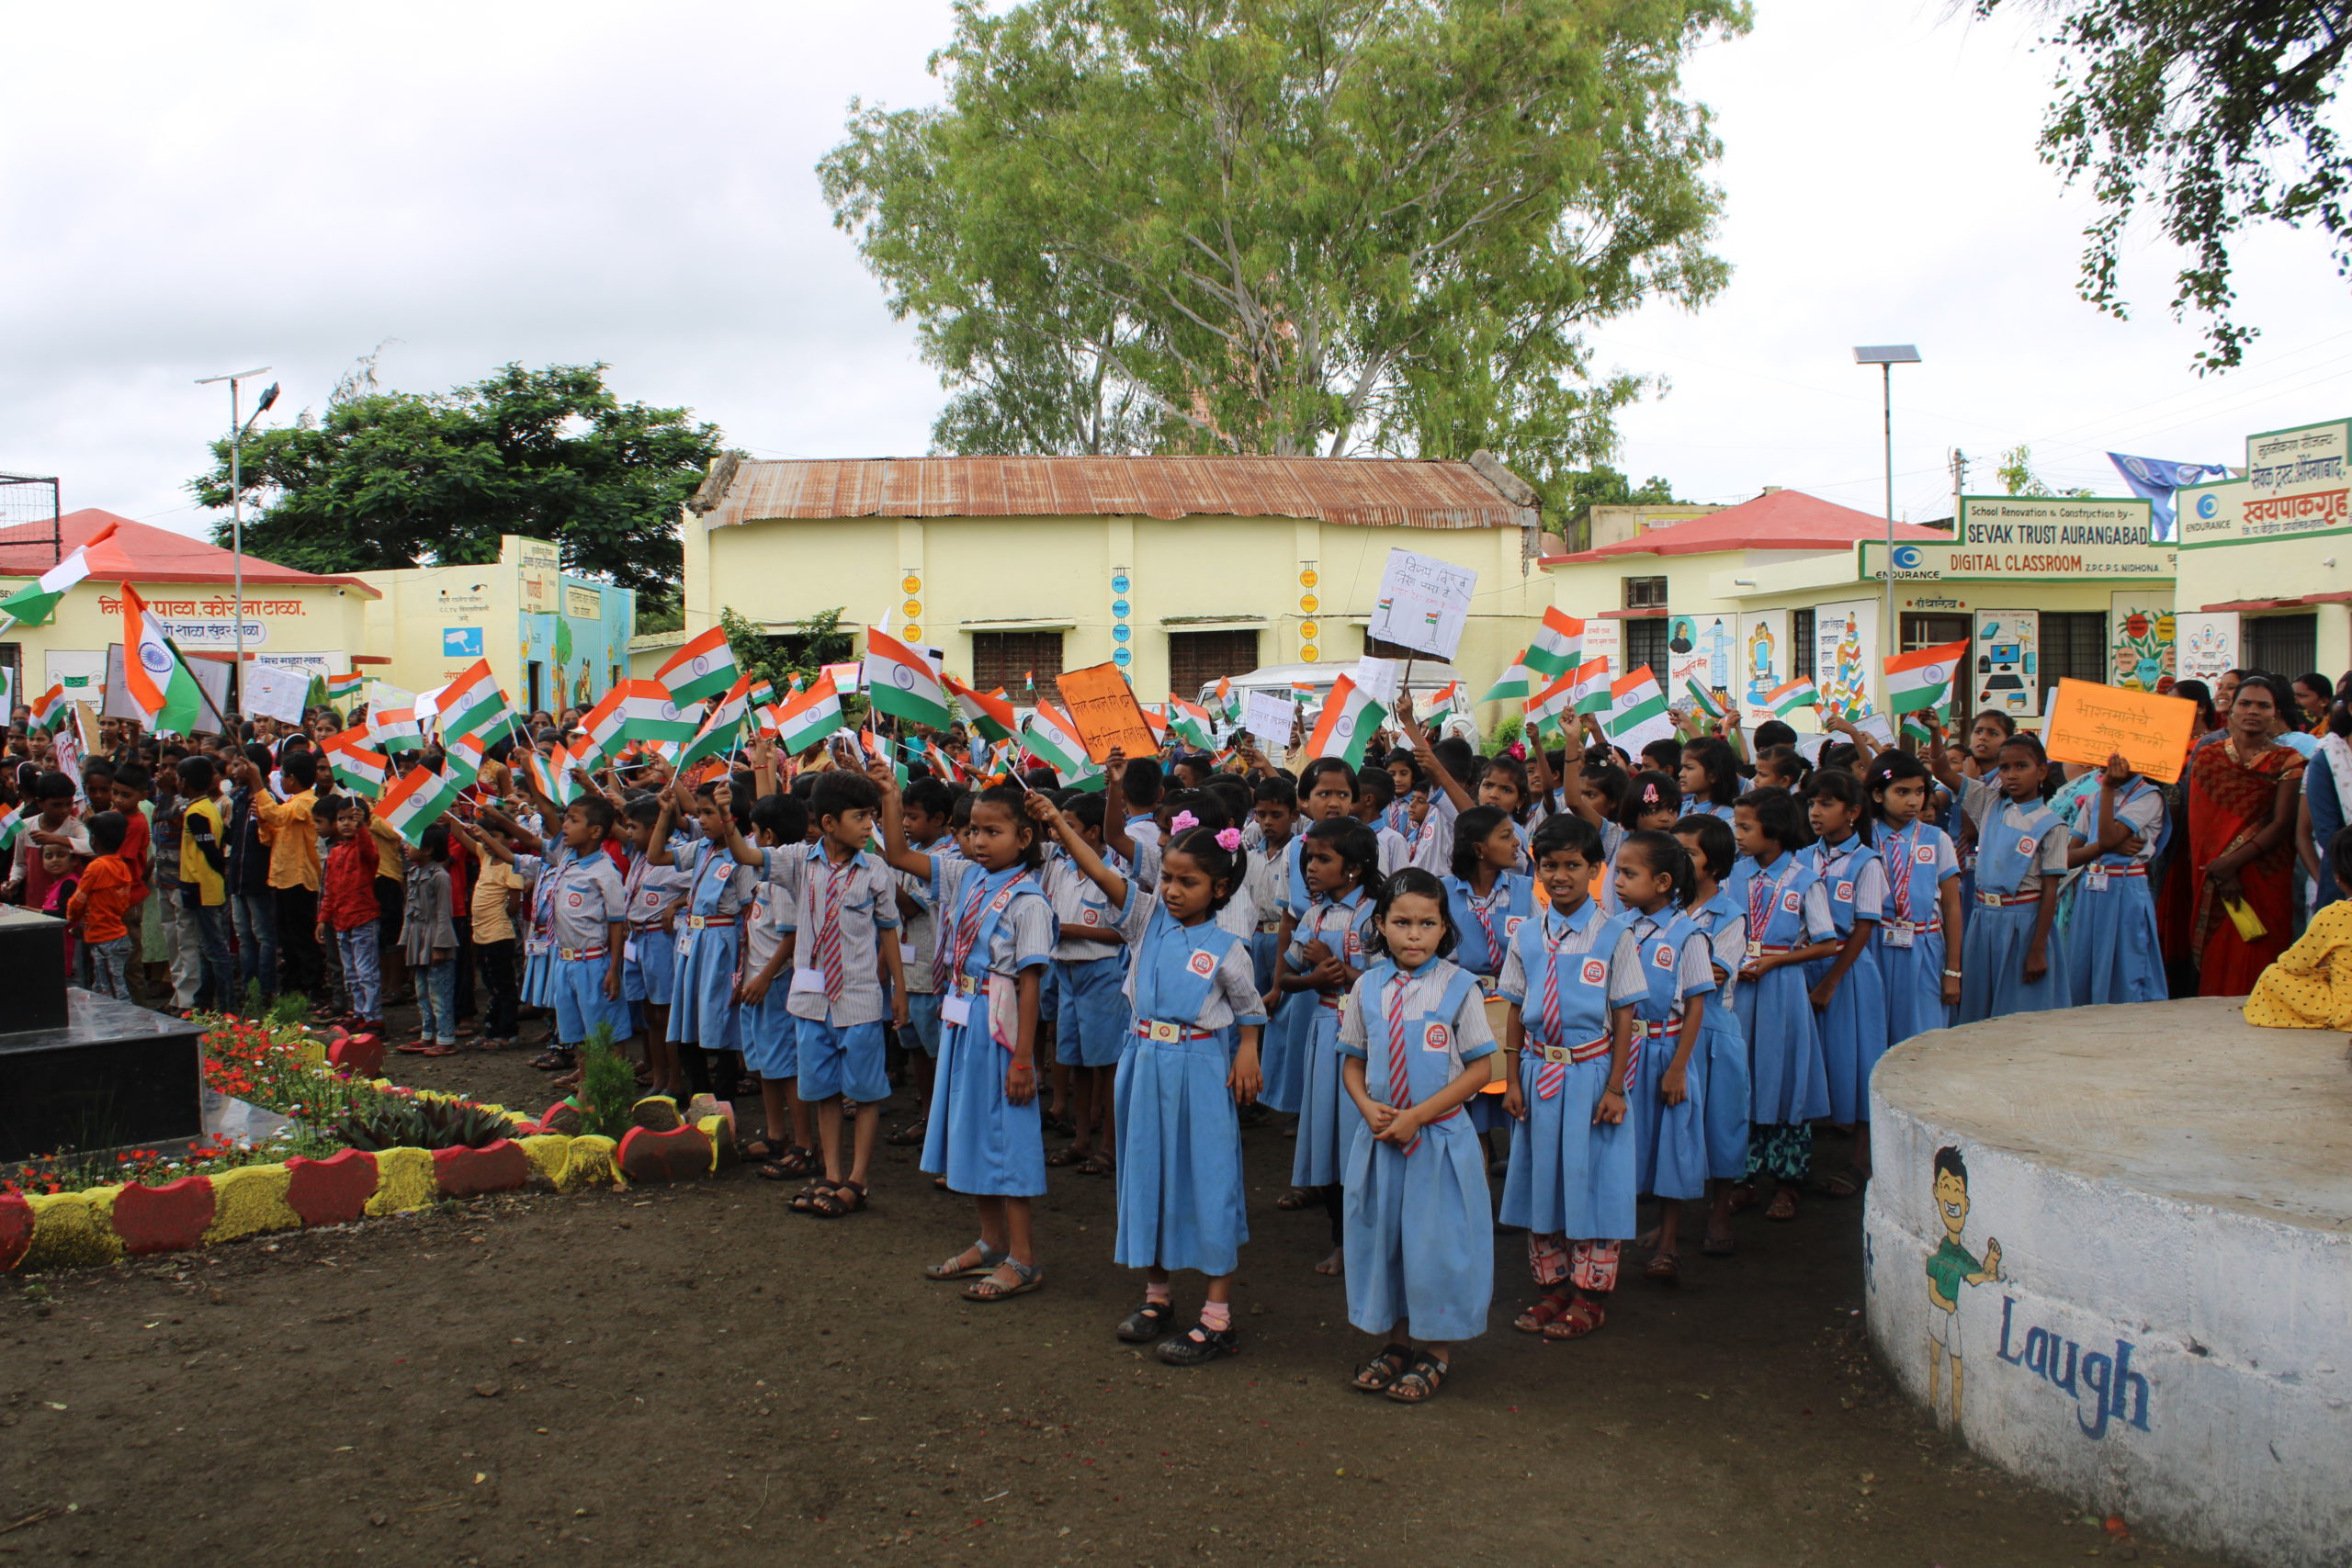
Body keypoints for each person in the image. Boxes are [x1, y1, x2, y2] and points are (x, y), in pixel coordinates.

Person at [1031, 797, 1266, 1364]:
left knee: (1208, 1179)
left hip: (1202, 1068)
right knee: (1147, 1174)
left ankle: (1217, 1318)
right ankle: (1157, 1297)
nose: (1173, 891)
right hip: (1141, 1062)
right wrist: (1060, 824)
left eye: (1189, 882)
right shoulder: (1144, 921)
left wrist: (1249, 1053)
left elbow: (1251, 1009)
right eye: (1168, 879)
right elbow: (1098, 868)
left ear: (1220, 889)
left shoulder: (1229, 949)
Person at [876, 770, 1057, 1304]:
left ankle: (1023, 1259)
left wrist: (1024, 1059)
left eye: (992, 831)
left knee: (1007, 1137)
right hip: (961, 1017)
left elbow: (1030, 986)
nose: (978, 841)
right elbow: (896, 855)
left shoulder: (1029, 902)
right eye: (973, 830)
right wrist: (889, 796)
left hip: (999, 1028)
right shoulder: (963, 877)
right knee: (970, 1129)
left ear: (1024, 838)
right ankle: (990, 1239)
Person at [1335, 866, 1498, 1402]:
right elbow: (1353, 1061)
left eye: (1427, 924)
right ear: (1380, 924)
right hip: (1383, 1139)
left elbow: (1479, 1069)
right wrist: (1366, 1106)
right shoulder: (1366, 987)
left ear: (1443, 928)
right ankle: (1398, 1342)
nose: (1414, 935)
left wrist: (1418, 1115)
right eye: (1401, 922)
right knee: (1388, 1242)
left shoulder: (1459, 987)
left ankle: (1438, 1350)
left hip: (1439, 1142)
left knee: (1437, 1246)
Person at [1496, 815, 1643, 1342]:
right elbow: (1514, 1008)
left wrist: (1616, 1086)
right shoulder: (1527, 935)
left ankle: (1589, 1295)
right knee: (1543, 1179)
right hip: (1538, 1073)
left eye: (1573, 866)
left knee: (1594, 1179)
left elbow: (1625, 1014)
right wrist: (1512, 1078)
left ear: (1595, 869)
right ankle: (1551, 1288)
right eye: (1550, 865)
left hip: (1592, 1074)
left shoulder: (1615, 935)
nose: (1561, 876)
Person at [737, 770, 907, 1219]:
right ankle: (832, 1174)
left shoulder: (876, 870)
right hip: (812, 1002)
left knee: (866, 1093)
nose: (869, 825)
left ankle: (857, 1180)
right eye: (860, 817)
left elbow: (889, 932)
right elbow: (746, 852)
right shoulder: (797, 861)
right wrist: (721, 814)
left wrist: (898, 991)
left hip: (859, 999)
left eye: (872, 816)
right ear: (829, 823)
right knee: (824, 1091)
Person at [1727, 788, 1836, 1220]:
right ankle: (1743, 1177)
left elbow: (1826, 944)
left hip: (1782, 988)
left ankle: (1788, 1181)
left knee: (1785, 1075)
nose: (1736, 835)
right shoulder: (1735, 876)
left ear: (1772, 832)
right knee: (1744, 1076)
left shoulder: (1805, 880)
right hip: (1741, 987)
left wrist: (1776, 961)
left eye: (1745, 827)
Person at [1282, 815, 1384, 1277]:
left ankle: (1373, 1238)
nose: (1311, 868)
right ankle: (1342, 1239)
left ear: (1355, 868)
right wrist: (1314, 979)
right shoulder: (1314, 915)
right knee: (1328, 1136)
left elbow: (1394, 985)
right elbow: (1285, 978)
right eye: (1309, 858)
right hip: (1325, 1032)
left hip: (1372, 1038)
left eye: (1324, 859)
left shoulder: (1379, 915)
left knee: (1363, 1136)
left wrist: (1342, 972)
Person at [1611, 829, 1714, 1282]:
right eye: (1617, 872)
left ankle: (1669, 1240)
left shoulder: (1689, 936)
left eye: (1629, 874)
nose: (1617, 882)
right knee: (1626, 1142)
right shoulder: (1621, 929)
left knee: (1670, 1145)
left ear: (1663, 882)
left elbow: (1696, 1005)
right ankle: (1615, 1235)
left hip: (1665, 1048)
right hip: (1623, 1049)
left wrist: (1677, 1068)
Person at [2184, 673, 2304, 996]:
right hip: (2214, 874)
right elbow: (2201, 827)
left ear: (2275, 713)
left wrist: (2233, 863)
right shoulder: (2208, 758)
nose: (2254, 710)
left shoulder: (2288, 761)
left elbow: (2282, 824)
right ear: (2231, 710)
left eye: (2263, 705)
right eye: (2245, 703)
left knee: (2262, 951)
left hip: (2265, 870)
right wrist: (2221, 871)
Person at [1798, 769, 1887, 1200]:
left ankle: (1861, 1161)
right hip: (1808, 965)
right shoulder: (1802, 857)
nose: (1816, 811)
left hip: (1847, 972)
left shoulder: (1867, 861)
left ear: (1852, 812)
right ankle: (1797, 1162)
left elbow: (1864, 928)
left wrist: (1831, 982)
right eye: (1812, 803)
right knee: (1814, 1063)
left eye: (1827, 804)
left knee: (1858, 1060)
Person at [1670, 813, 1748, 1260]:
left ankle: (1719, 1211)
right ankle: (1672, 1221)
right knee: (1675, 1126)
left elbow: (1713, 975)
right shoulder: (1664, 907)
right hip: (1672, 1030)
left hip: (1714, 1028)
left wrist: (1667, 969)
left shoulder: (1729, 915)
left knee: (1722, 1123)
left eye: (1690, 852)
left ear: (1715, 865)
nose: (1680, 860)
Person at [732, 789, 816, 1174]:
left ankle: (802, 1143)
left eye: (752, 833)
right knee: (765, 1065)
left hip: (777, 983)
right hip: (757, 982)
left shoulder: (784, 878)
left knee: (786, 1067)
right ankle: (775, 1133)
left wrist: (765, 978)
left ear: (767, 837)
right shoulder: (767, 878)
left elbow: (792, 935)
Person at [650, 776, 759, 1068]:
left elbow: (750, 913)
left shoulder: (742, 855)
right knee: (689, 1015)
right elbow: (655, 855)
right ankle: (699, 1093)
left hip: (722, 944)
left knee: (719, 1018)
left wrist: (743, 969)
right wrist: (664, 814)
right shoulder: (702, 848)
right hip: (693, 941)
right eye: (700, 813)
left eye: (709, 813)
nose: (702, 820)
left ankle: (723, 1098)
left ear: (730, 814)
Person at [1864, 750, 1962, 1050]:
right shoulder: (1863, 838)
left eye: (1920, 792)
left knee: (1923, 1037)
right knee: (1876, 1032)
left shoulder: (1937, 839)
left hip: (1924, 946)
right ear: (1878, 795)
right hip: (1874, 945)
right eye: (1902, 792)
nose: (1913, 801)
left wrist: (1953, 971)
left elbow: (1952, 906)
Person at [2064, 751, 2167, 1005]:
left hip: (2126, 888)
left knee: (2127, 961)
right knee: (2085, 960)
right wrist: (2104, 847)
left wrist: (2108, 789)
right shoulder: (2094, 799)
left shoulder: (2149, 796)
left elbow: (2107, 838)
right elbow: (2068, 856)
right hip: (2091, 889)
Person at [2246, 826, 2352, 1027]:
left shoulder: (2334, 915)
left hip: (2346, 1013)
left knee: (2273, 974)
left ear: (2338, 877)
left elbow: (2294, 964)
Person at [242, 750, 323, 1004]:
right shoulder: (292, 803)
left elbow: (277, 816)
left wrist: (257, 782)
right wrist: (262, 820)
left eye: (284, 776)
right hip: (284, 878)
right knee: (287, 938)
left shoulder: (305, 803)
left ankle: (313, 988)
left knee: (302, 937)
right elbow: (272, 833)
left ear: (292, 779)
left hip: (300, 879)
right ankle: (293, 985)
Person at [317, 795, 386, 1037]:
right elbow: (330, 889)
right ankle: (359, 1013)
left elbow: (369, 850)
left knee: (366, 971)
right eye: (341, 819)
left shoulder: (366, 848)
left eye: (352, 819)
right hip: (341, 921)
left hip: (363, 918)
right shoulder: (335, 853)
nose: (346, 824)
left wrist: (363, 827)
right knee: (352, 973)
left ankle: (373, 1017)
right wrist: (323, 918)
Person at [456, 818, 526, 1050]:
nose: (486, 841)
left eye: (493, 836)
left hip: (500, 934)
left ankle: (507, 1031)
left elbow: (514, 904)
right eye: (484, 836)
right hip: (482, 934)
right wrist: (449, 819)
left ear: (509, 840)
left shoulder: (510, 865)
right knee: (490, 985)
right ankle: (492, 1029)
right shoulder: (485, 857)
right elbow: (459, 834)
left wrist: (500, 915)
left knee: (504, 985)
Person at [175, 755, 232, 1012]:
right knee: (207, 948)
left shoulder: (196, 812)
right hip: (206, 884)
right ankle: (203, 1003)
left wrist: (221, 869)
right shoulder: (208, 806)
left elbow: (209, 848)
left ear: (183, 782)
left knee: (215, 950)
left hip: (201, 885)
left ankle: (226, 1007)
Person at [397, 823, 459, 1055]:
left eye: (411, 842)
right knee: (421, 990)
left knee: (439, 990)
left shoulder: (440, 876)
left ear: (428, 849)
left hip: (435, 939)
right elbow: (408, 911)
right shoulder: (413, 873)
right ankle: (427, 1034)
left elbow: (444, 913)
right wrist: (405, 941)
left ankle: (445, 1039)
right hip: (418, 937)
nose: (405, 846)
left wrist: (440, 946)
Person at [70, 811, 139, 1000]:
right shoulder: (121, 866)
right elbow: (123, 902)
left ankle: (124, 1024)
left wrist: (72, 917)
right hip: (117, 935)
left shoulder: (96, 867)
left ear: (94, 840)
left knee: (112, 990)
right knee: (104, 985)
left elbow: (78, 900)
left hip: (104, 939)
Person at [1679, 736, 1742, 823]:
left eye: (1689, 768)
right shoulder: (1679, 809)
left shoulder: (1728, 818)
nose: (1681, 774)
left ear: (1713, 775)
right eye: (1682, 767)